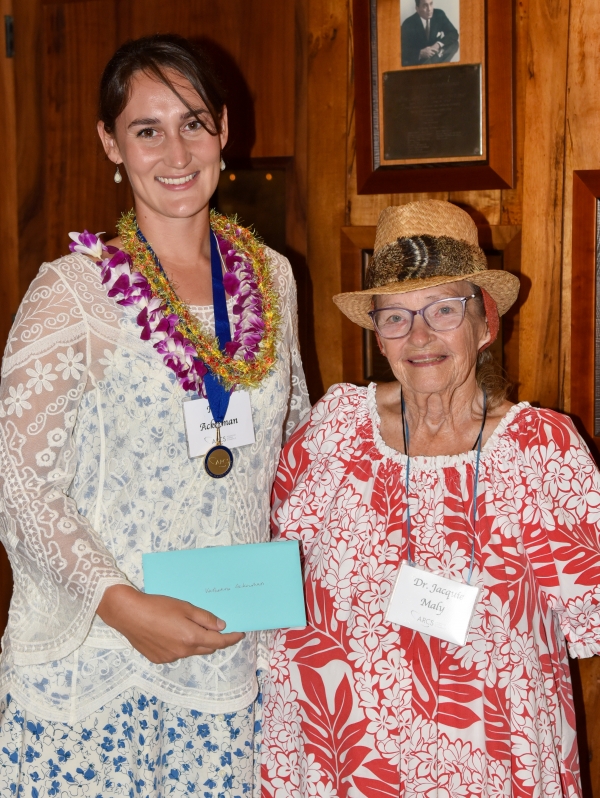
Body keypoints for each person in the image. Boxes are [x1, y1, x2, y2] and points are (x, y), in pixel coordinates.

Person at [0, 34, 309, 798]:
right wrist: (123, 606)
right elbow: (19, 486)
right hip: (93, 666)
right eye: (147, 129)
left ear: (224, 131)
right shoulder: (72, 293)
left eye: (194, 122)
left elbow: (295, 431)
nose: (176, 150)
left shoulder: (272, 276)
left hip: (229, 657)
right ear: (112, 143)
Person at [262, 199, 599, 797]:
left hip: (495, 769)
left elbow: (589, 618)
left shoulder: (542, 451)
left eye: (444, 310)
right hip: (343, 765)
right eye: (396, 317)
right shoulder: (333, 431)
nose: (419, 336)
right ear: (379, 336)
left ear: (484, 323)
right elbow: (270, 572)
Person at [401, 0, 459, 66]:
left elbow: (453, 33)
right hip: (420, 61)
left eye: (431, 4)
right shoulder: (408, 23)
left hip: (436, 55)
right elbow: (403, 51)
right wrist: (420, 53)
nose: (429, 9)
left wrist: (438, 45)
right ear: (417, 8)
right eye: (425, 6)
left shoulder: (439, 14)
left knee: (455, 44)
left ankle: (438, 67)